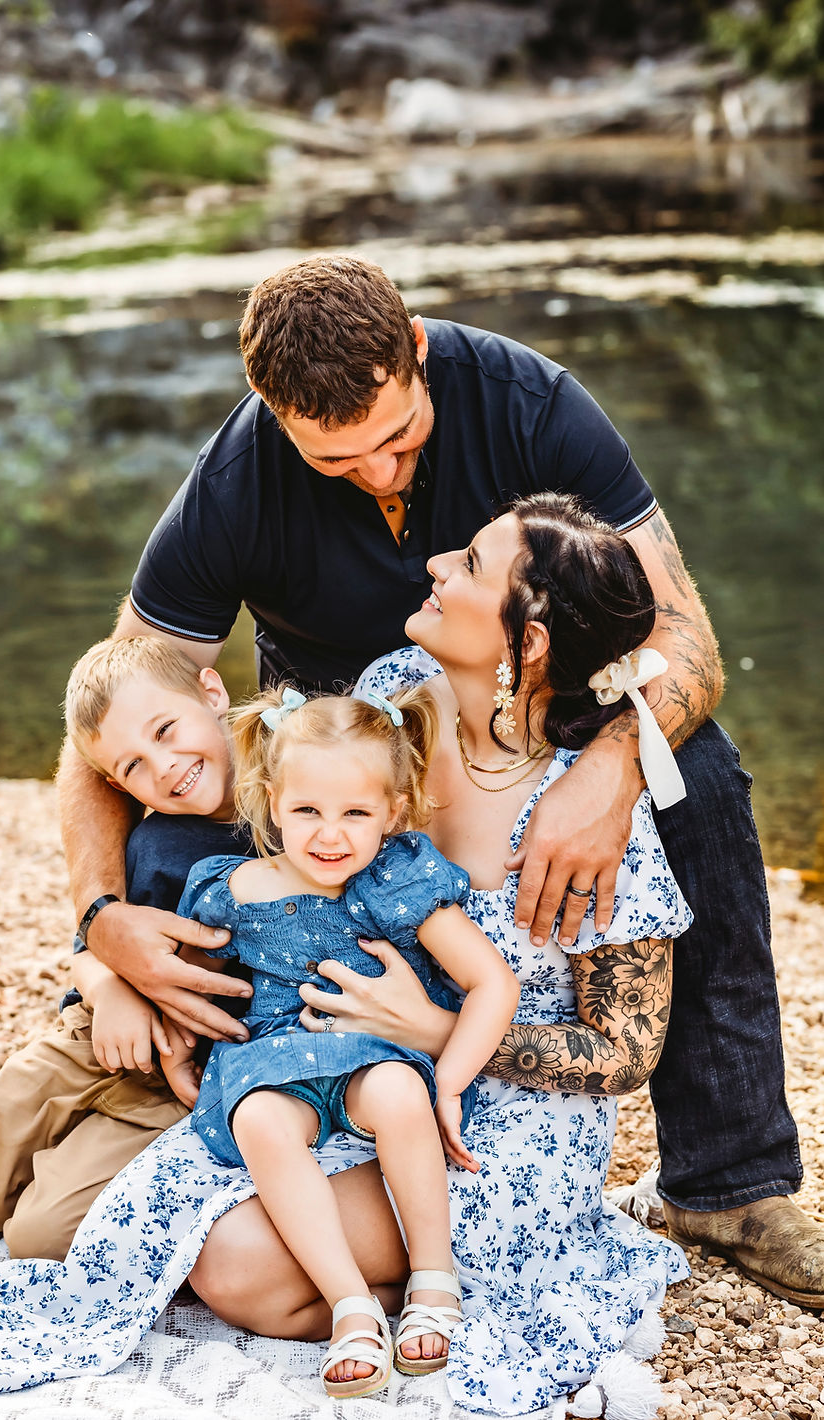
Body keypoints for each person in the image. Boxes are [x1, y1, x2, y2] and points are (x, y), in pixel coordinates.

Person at [54, 255, 823, 1307]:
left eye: (397, 440)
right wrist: (98, 922)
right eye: (335, 458)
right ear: (274, 417)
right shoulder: (234, 481)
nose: (375, 473)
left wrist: (605, 766)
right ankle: (189, 1082)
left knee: (697, 773)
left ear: (415, 351)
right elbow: (109, 707)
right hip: (339, 737)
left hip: (538, 702)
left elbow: (682, 632)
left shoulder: (533, 407)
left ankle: (726, 1182)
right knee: (166, 833)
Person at [0, 495, 693, 1418]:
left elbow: (627, 1053)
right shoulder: (386, 694)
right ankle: (365, 1293)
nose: (436, 564)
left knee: (238, 1266)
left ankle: (452, 1292)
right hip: (325, 1056)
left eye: (472, 564)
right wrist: (103, 947)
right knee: (176, 1236)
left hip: (495, 1117)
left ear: (526, 645)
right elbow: (221, 767)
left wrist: (437, 1030)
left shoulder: (592, 818)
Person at [176, 686, 520, 1396]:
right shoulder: (233, 889)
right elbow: (184, 971)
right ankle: (351, 1306)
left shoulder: (394, 879)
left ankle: (433, 1280)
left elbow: (493, 983)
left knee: (397, 1093)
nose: (329, 836)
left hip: (374, 1052)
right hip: (274, 1057)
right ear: (271, 801)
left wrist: (448, 1081)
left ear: (392, 813)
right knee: (261, 1118)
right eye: (307, 810)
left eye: (355, 814)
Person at [0, 636, 253, 1259]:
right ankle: (35, 1157)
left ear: (212, 692)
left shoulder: (302, 812)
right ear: (115, 785)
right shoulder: (152, 842)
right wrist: (113, 990)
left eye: (165, 730)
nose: (163, 767)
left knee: (39, 1238)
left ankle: (74, 1168)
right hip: (94, 1032)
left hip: (188, 1074)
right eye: (133, 766)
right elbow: (87, 948)